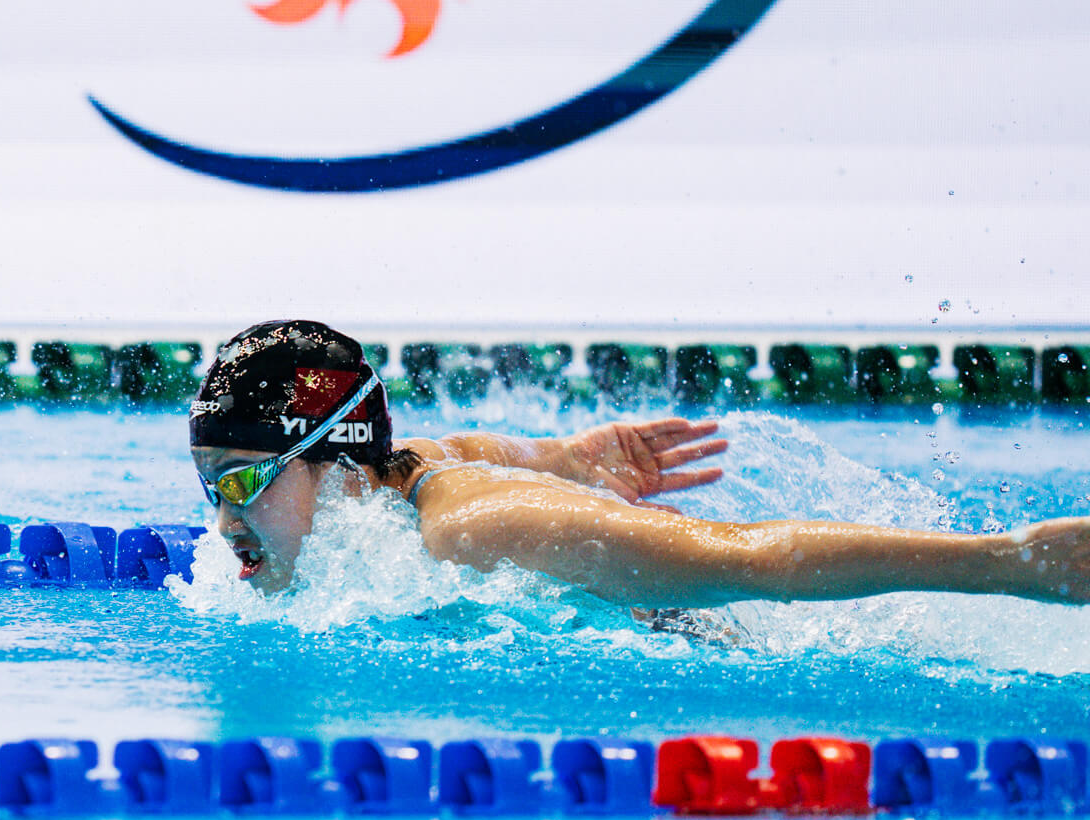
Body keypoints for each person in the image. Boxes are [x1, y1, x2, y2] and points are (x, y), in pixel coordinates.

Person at [189, 320, 1090, 605]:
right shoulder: (407, 466)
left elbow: (750, 558)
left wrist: (1006, 563)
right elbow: (486, 448)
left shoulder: (473, 530)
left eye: (241, 482)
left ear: (338, 467)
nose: (223, 520)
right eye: (208, 489)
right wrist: (570, 458)